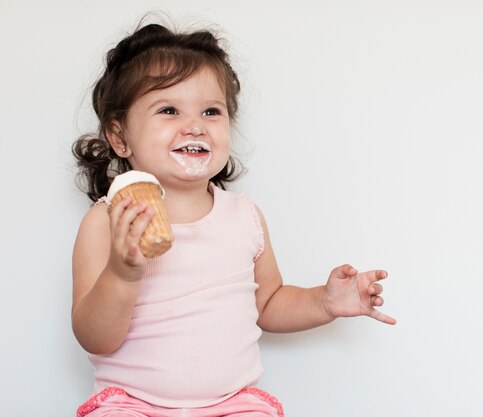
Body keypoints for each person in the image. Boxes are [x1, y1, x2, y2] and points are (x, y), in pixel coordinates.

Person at [71, 21, 395, 417]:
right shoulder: (106, 220)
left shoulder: (244, 217)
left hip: (232, 404)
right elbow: (94, 338)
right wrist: (122, 274)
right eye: (169, 110)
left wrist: (323, 302)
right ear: (120, 137)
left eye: (211, 111)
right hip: (132, 403)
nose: (195, 125)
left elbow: (270, 302)